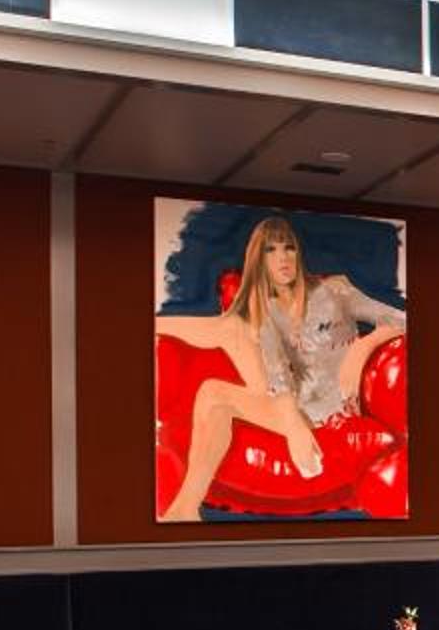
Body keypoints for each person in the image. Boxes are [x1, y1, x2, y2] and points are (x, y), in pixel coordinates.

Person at [158, 215, 405, 522]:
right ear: (258, 260)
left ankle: (182, 511)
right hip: (290, 403)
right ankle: (184, 511)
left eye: (289, 247)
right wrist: (294, 427)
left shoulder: (335, 290)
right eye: (271, 250)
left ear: (298, 252)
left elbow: (400, 319)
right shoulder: (264, 307)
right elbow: (278, 376)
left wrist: (362, 347)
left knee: (218, 374)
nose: (283, 258)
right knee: (229, 337)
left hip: (331, 411)